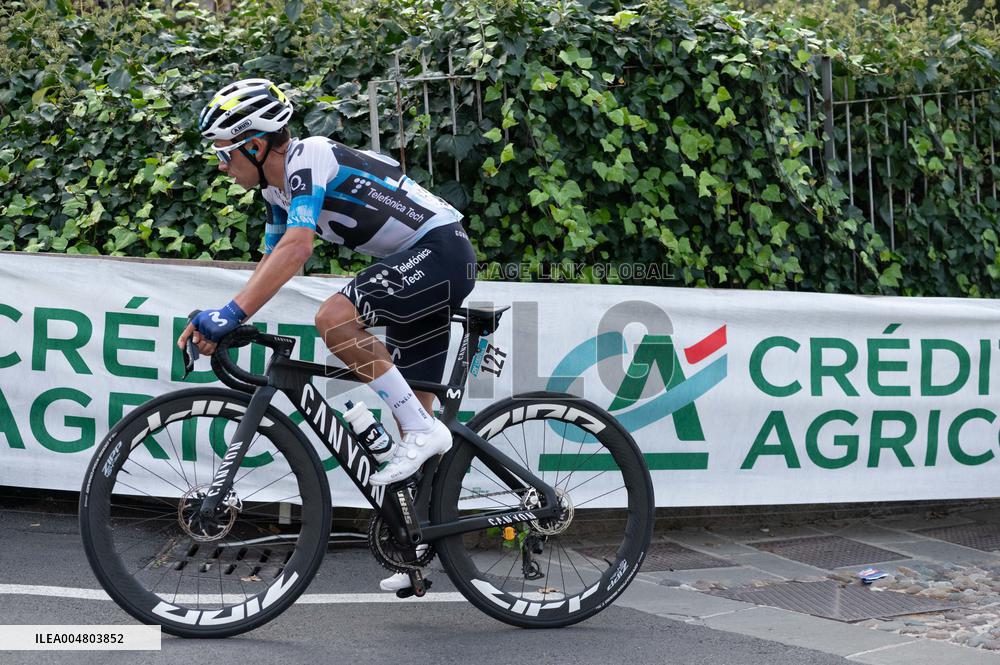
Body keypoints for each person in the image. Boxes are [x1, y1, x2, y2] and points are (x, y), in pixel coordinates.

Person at [177, 78, 476, 590]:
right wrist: (228, 317)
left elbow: (297, 249)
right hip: (416, 264)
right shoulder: (276, 189)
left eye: (226, 154)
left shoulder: (309, 155)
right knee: (413, 431)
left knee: (335, 318)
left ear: (256, 142)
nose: (221, 166)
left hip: (441, 251)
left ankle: (426, 434)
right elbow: (272, 261)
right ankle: (417, 546)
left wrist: (229, 314)